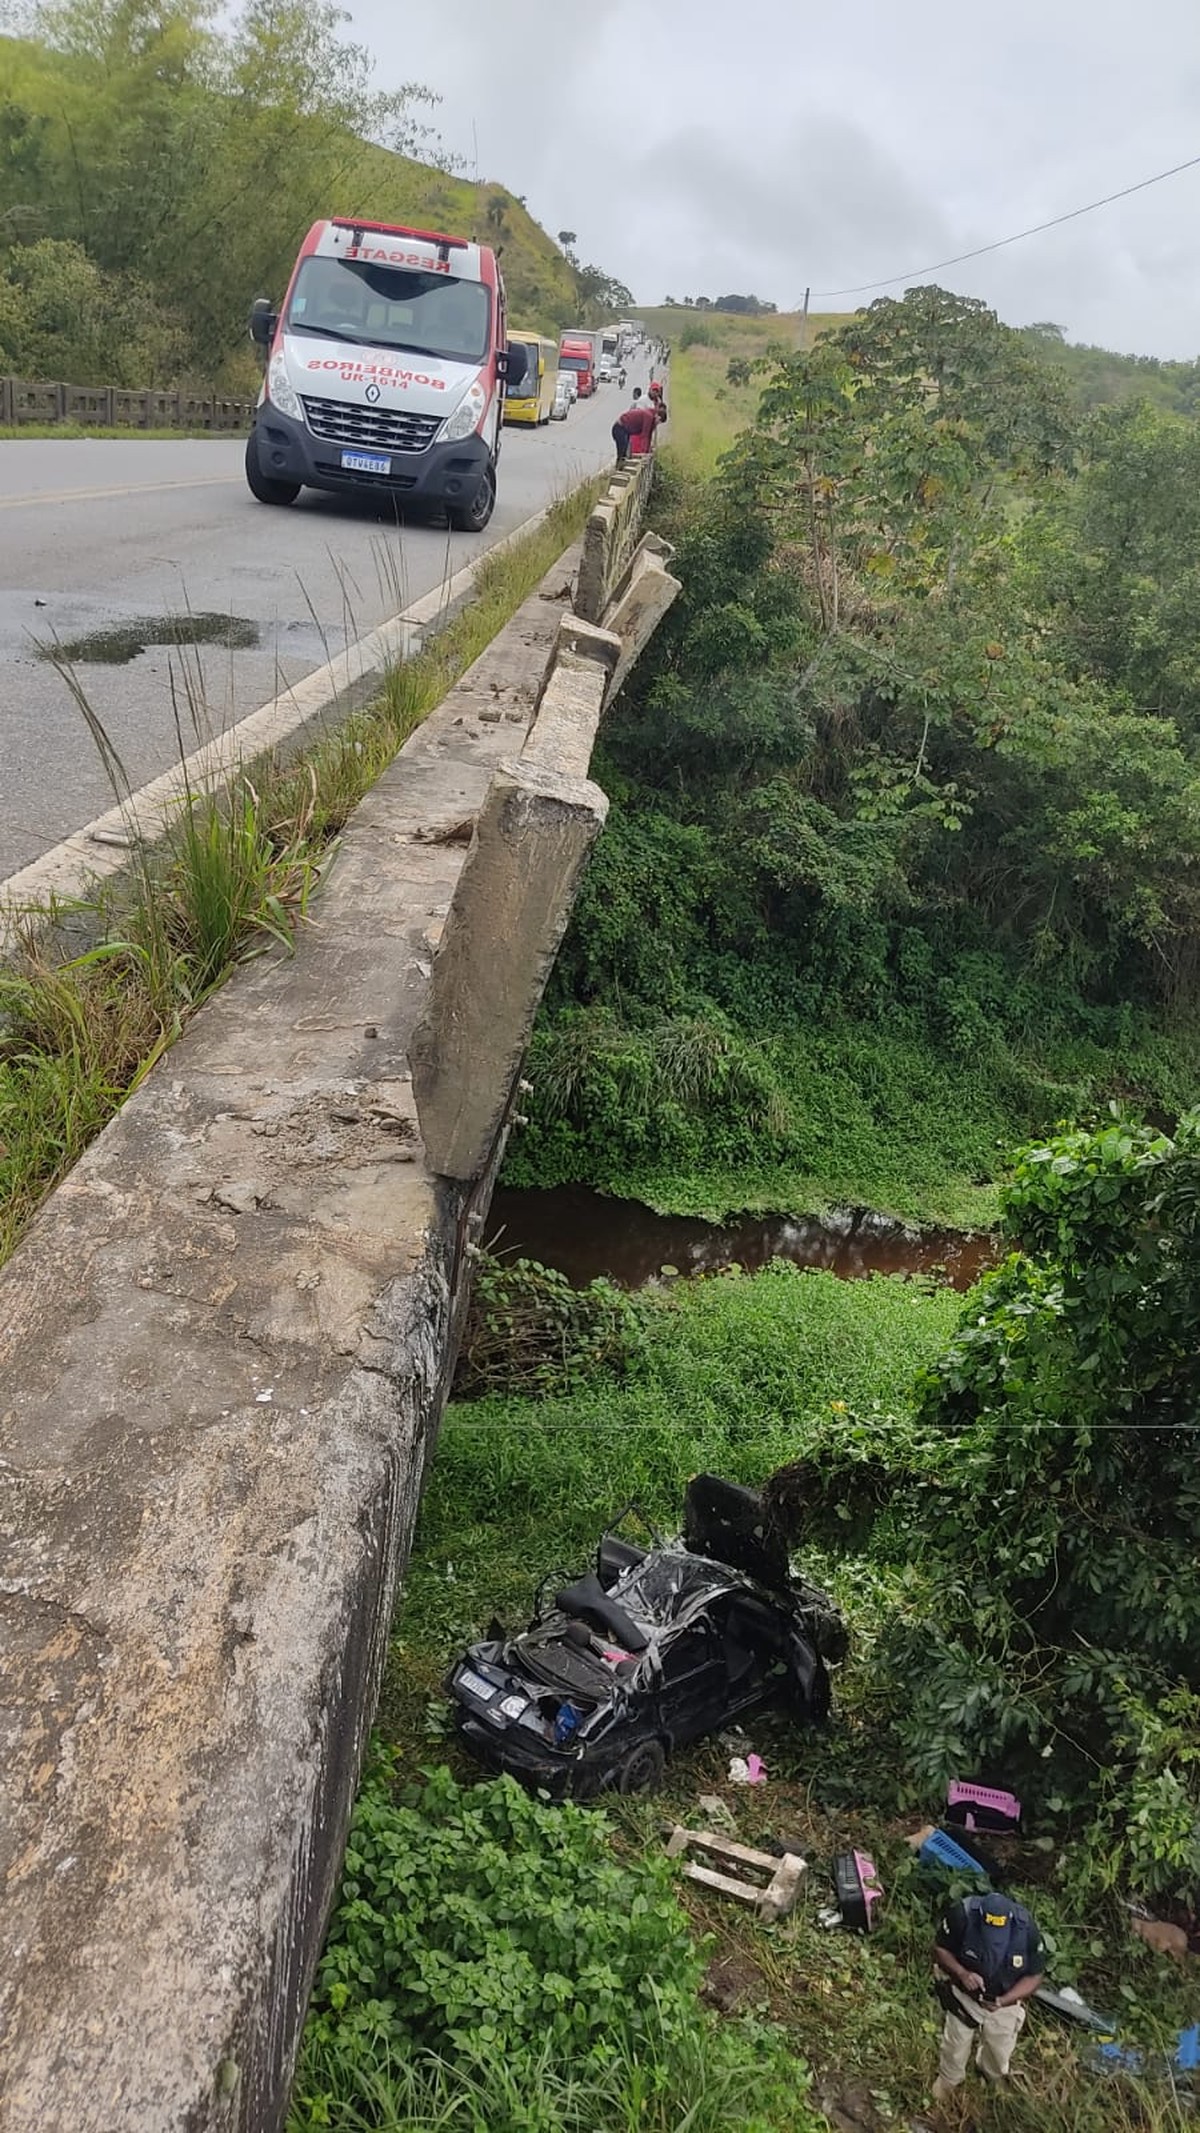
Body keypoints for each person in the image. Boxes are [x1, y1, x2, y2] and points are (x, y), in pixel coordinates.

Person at [932, 1890, 1045, 2102]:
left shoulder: (1026, 1929)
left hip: (1006, 2001)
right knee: (956, 2043)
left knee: (999, 2051)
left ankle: (990, 2078)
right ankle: (948, 2082)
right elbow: (940, 1949)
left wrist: (1005, 2000)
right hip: (966, 1996)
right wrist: (962, 1973)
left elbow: (1035, 1976)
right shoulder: (962, 1915)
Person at [612, 387, 657, 464]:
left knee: (625, 452)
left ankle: (622, 465)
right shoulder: (648, 415)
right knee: (622, 453)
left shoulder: (650, 412)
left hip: (627, 431)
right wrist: (644, 453)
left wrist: (647, 450)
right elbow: (645, 435)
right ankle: (620, 467)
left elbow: (648, 435)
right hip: (620, 428)